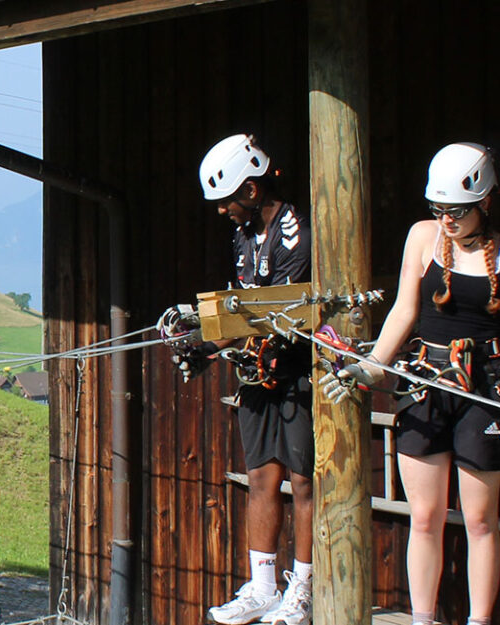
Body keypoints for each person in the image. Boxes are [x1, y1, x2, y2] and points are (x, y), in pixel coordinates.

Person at [321, 142, 500, 625]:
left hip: (483, 390)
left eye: (457, 211)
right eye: (438, 209)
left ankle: (479, 621)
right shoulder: (423, 237)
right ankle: (424, 619)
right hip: (426, 381)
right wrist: (374, 365)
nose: (447, 220)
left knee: (481, 521)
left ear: (485, 202)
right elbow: (405, 308)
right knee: (424, 517)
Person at [194, 134, 317, 625]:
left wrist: (214, 341)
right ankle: (263, 585)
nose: (222, 212)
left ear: (249, 190)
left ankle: (302, 590)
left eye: (226, 201)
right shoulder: (244, 236)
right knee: (263, 476)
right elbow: (241, 304)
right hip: (257, 373)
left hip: (298, 372)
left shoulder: (297, 233)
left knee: (304, 481)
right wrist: (202, 341)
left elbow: (276, 312)